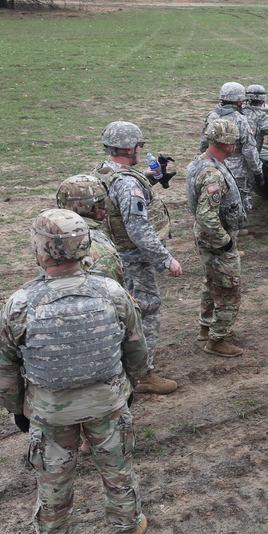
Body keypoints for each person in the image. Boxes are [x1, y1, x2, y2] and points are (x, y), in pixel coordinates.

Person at [0, 209, 150, 534]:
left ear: (39, 252)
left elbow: (3, 371)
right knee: (116, 466)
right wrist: (129, 387)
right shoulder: (113, 292)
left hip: (50, 410)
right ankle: (127, 529)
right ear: (84, 247)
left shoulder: (20, 304)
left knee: (53, 475)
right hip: (107, 403)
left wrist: (18, 408)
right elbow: (137, 350)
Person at [92, 121, 180, 395]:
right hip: (133, 258)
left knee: (120, 312)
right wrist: (166, 260)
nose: (142, 149)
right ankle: (143, 374)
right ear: (130, 148)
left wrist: (151, 177)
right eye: (139, 145)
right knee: (146, 311)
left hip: (111, 254)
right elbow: (139, 228)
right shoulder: (128, 184)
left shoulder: (102, 172)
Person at [186, 118, 248, 357]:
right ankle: (217, 339)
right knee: (229, 288)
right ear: (228, 144)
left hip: (205, 237)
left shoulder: (199, 163)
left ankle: (206, 326)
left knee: (211, 281)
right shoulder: (213, 174)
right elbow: (206, 214)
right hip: (216, 240)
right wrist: (226, 242)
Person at [198, 81, 264, 210]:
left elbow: (203, 144)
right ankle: (235, 228)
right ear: (239, 100)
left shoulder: (211, 116)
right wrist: (258, 171)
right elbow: (249, 149)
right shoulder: (240, 119)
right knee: (238, 202)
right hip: (237, 170)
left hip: (213, 165)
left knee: (214, 197)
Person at [56, 174, 124, 284]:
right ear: (88, 206)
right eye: (101, 202)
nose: (106, 207)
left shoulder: (53, 233)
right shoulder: (96, 246)